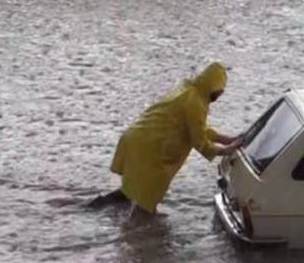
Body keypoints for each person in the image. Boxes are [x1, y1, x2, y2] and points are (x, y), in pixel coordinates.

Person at [87, 61, 243, 215]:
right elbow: (200, 142)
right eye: (220, 90)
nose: (220, 94)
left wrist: (227, 140)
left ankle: (94, 208)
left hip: (136, 138)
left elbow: (198, 129)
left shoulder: (190, 91)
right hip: (150, 149)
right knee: (146, 204)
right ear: (213, 86)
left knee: (133, 191)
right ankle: (138, 235)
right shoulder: (195, 102)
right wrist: (227, 150)